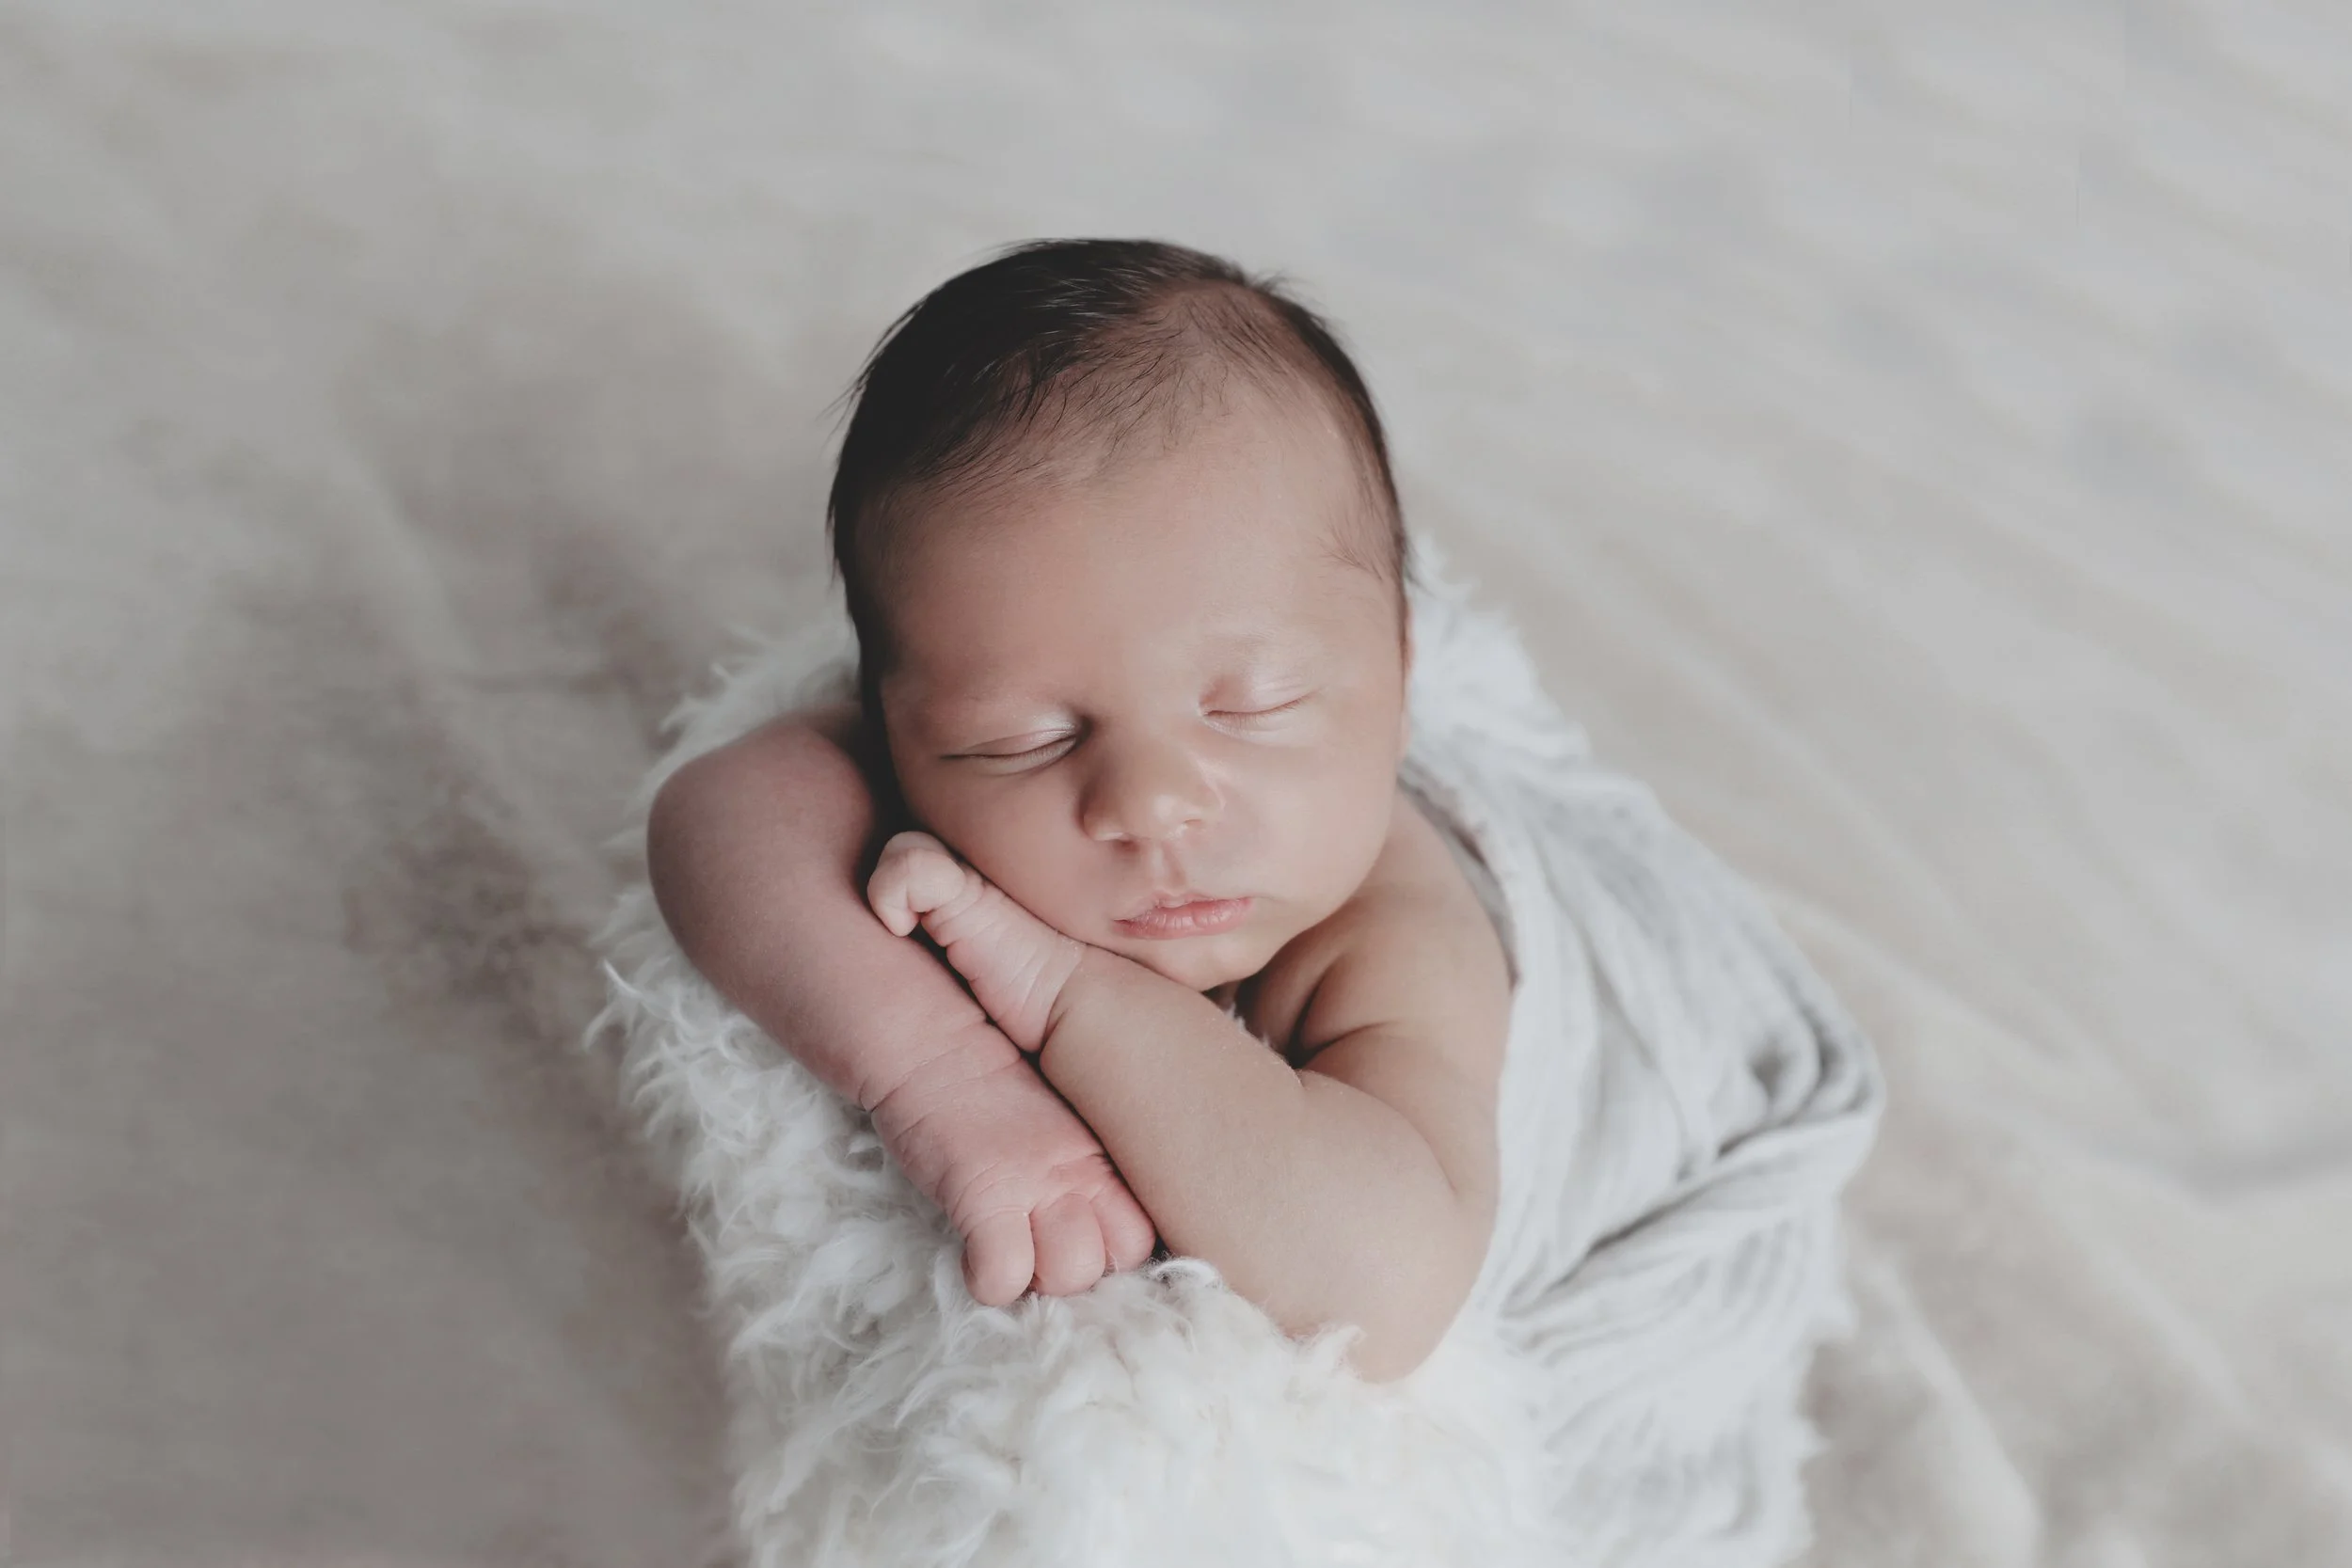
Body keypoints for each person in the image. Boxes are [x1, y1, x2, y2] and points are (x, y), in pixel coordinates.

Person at [644, 239, 1511, 1383]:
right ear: (894, 728)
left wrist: (1064, 992)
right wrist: (942, 1076)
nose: (1148, 803)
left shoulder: (1392, 939)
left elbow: (1383, 1292)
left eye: (1254, 705)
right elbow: (716, 814)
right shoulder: (920, 746)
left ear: (1403, 677)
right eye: (1024, 739)